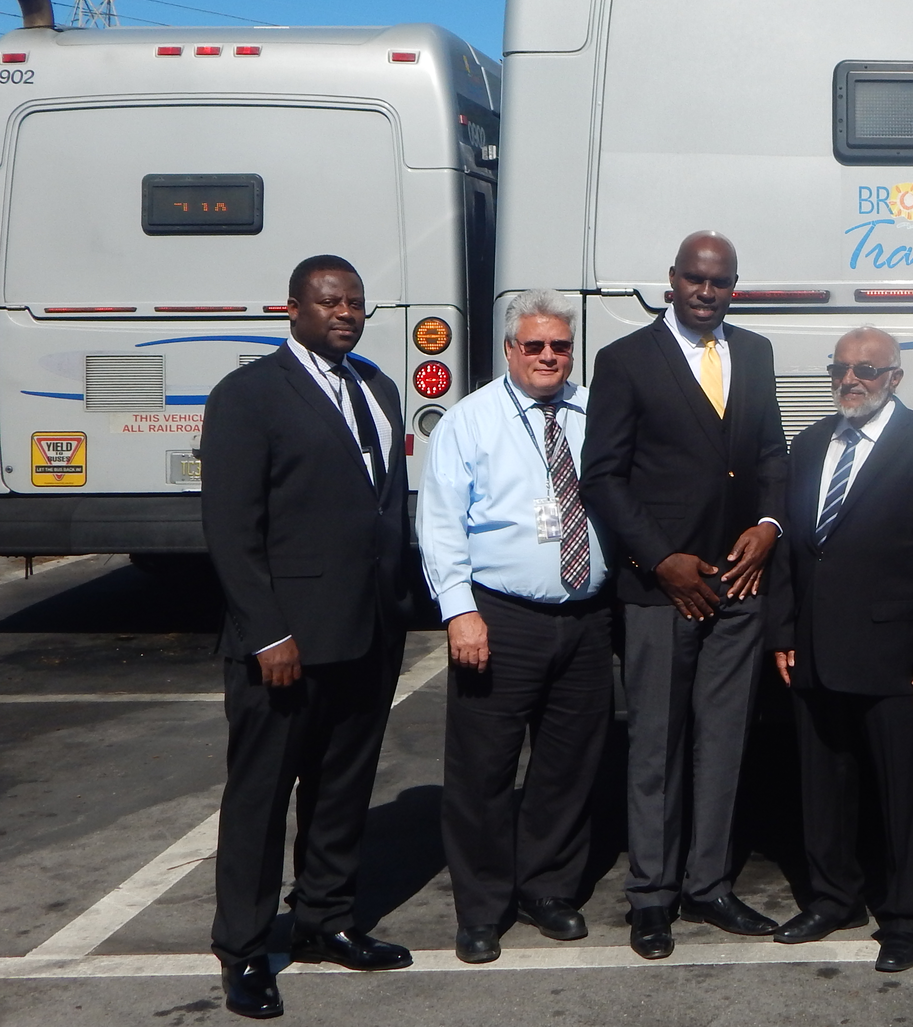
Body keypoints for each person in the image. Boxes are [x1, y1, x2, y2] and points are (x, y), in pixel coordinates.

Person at [201, 256, 415, 1019]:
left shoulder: (377, 388)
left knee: (342, 791)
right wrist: (265, 633)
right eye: (329, 301)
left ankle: (327, 921)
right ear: (291, 308)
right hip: (284, 645)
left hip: (367, 633)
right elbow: (230, 528)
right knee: (261, 799)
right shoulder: (249, 395)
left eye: (355, 302)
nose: (345, 313)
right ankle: (246, 949)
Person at [580, 231, 789, 960]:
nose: (707, 291)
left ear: (736, 286)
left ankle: (709, 886)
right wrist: (659, 557)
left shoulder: (755, 353)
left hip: (737, 583)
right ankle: (652, 897)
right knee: (657, 746)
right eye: (696, 280)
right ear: (671, 281)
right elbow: (601, 476)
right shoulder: (625, 360)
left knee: (724, 742)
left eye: (721, 281)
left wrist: (768, 524)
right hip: (660, 590)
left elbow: (769, 451)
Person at [768, 328, 913, 973]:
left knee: (903, 798)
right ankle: (834, 898)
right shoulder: (810, 444)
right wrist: (782, 631)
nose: (851, 380)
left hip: (897, 658)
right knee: (823, 790)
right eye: (841, 369)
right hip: (815, 652)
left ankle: (907, 917)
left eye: (867, 370)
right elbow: (791, 549)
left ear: (895, 378)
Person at [418, 289, 610, 965]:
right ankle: (482, 907)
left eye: (560, 346)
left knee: (568, 766)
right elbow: (440, 524)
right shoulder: (470, 423)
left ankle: (548, 889)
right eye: (536, 346)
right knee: (482, 772)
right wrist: (459, 611)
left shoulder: (597, 415)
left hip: (586, 618)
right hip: (500, 617)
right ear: (510, 351)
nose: (550, 357)